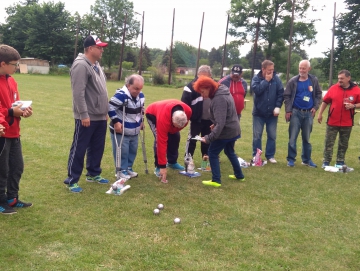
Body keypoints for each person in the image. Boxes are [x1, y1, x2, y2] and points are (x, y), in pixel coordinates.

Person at [63, 35, 110, 193]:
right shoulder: (81, 65)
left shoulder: (96, 64)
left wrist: (105, 111)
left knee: (97, 147)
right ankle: (72, 179)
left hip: (100, 116)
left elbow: (101, 91)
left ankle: (93, 173)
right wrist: (83, 114)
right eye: (99, 47)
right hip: (87, 116)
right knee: (79, 148)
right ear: (90, 48)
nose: (101, 49)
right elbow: (78, 93)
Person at [193, 76, 245, 187]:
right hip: (234, 129)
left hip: (226, 132)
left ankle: (216, 180)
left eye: (202, 92)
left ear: (209, 88)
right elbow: (224, 116)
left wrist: (208, 138)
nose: (202, 95)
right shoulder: (223, 91)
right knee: (230, 152)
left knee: (212, 152)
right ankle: (239, 175)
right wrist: (215, 123)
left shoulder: (218, 99)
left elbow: (221, 124)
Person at [0, 44, 33, 214]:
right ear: (3, 64)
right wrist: (13, 111)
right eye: (14, 64)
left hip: (14, 132)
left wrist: (23, 110)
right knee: (2, 169)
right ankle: (0, 201)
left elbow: (16, 103)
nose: (16, 67)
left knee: (17, 166)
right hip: (2, 133)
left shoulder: (12, 80)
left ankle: (12, 198)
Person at [317, 70, 360, 168]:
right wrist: (320, 114)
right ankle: (326, 161)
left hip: (347, 122)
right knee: (329, 142)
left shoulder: (356, 90)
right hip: (332, 121)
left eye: (342, 78)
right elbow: (325, 101)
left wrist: (353, 105)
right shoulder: (333, 88)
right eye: (339, 78)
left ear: (348, 78)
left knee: (343, 144)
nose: (339, 80)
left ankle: (340, 161)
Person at [284, 60, 322, 168]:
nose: (301, 70)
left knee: (307, 138)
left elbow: (318, 94)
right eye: (300, 68)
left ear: (309, 69)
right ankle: (291, 159)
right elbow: (286, 96)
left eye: (304, 68)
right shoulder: (293, 81)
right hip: (295, 112)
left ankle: (306, 160)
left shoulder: (313, 80)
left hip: (309, 113)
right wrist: (288, 110)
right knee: (292, 138)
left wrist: (315, 107)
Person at [145, 99, 192, 183]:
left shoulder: (188, 111)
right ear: (172, 118)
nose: (178, 128)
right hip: (153, 113)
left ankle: (172, 162)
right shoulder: (163, 119)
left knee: (175, 137)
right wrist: (163, 166)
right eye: (176, 126)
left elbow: (182, 125)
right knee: (159, 140)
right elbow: (161, 142)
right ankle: (158, 166)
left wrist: (174, 130)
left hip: (167, 114)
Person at [108, 74, 145, 180]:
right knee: (122, 150)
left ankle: (128, 168)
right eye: (136, 88)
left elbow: (141, 108)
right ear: (128, 85)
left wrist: (141, 121)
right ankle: (120, 170)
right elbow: (110, 106)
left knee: (133, 150)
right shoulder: (121, 95)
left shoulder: (141, 96)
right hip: (121, 130)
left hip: (134, 130)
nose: (138, 91)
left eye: (140, 89)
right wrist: (115, 122)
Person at [251, 60, 284, 163]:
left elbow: (281, 93)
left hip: (272, 114)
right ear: (263, 69)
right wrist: (266, 81)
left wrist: (278, 106)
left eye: (273, 70)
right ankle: (256, 156)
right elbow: (257, 90)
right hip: (259, 113)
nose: (272, 72)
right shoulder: (256, 79)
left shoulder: (276, 79)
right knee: (257, 136)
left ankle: (270, 155)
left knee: (272, 135)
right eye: (269, 70)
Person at [181, 65, 212, 160]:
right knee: (192, 138)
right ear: (197, 75)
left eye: (206, 77)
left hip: (210, 119)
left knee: (207, 139)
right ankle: (188, 157)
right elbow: (184, 104)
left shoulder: (214, 86)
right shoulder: (190, 86)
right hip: (196, 119)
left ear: (210, 76)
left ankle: (206, 157)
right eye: (201, 77)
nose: (203, 79)